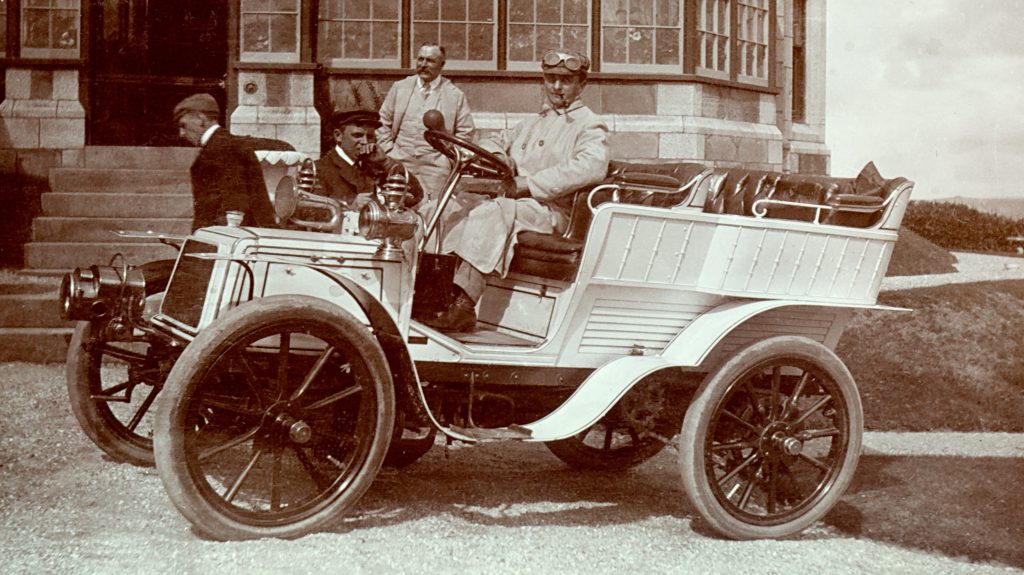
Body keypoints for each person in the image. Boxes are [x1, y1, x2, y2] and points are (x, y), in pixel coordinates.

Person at [424, 49, 610, 332]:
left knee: (491, 213)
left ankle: (463, 305)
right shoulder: (533, 122)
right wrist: (503, 157)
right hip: (516, 203)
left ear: (581, 84)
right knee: (451, 206)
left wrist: (529, 183)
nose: (556, 87)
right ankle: (428, 293)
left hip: (551, 211)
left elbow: (590, 167)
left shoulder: (590, 125)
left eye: (566, 80)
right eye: (551, 79)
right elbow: (493, 141)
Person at [174, 93, 292, 230]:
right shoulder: (224, 144)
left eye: (183, 125)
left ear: (201, 119)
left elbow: (234, 203)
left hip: (226, 239)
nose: (181, 133)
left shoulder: (221, 147)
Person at [377, 43, 475, 204]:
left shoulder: (455, 95)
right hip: (400, 160)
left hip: (435, 167)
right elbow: (382, 122)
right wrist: (389, 150)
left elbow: (466, 132)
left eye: (430, 61)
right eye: (420, 59)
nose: (423, 65)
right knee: (395, 206)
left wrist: (447, 159)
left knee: (432, 211)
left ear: (442, 65)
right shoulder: (400, 88)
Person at [315, 105, 423, 211]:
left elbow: (415, 196)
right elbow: (310, 214)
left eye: (370, 137)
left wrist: (386, 162)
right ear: (338, 135)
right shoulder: (319, 170)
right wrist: (350, 206)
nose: (365, 142)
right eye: (357, 135)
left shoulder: (377, 165)